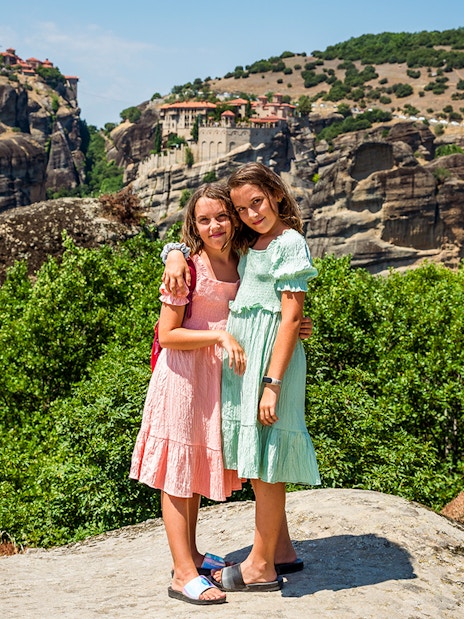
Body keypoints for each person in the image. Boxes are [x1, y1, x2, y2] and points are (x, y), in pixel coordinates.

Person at [163, 162, 320, 594]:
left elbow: (289, 317)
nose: (251, 214)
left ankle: (260, 566)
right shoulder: (252, 243)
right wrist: (174, 252)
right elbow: (197, 241)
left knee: (267, 459)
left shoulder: (289, 241)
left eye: (257, 203)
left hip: (268, 367)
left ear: (276, 194)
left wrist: (273, 382)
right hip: (243, 364)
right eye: (242, 209)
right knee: (258, 454)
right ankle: (281, 549)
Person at [130, 183, 247, 605]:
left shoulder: (242, 260)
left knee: (194, 466)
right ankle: (182, 574)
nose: (214, 226)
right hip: (181, 376)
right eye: (204, 219)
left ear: (233, 218)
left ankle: (193, 556)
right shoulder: (186, 267)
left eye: (221, 216)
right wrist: (219, 337)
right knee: (178, 472)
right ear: (192, 225)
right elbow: (168, 333)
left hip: (213, 379)